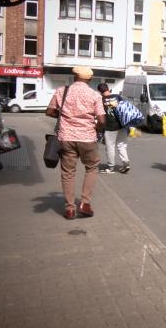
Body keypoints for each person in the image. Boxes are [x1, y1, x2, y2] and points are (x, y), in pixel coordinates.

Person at [46, 66, 105, 220]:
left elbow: (50, 111)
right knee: (92, 167)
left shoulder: (62, 91)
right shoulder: (95, 95)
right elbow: (102, 120)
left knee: (68, 173)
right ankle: (85, 204)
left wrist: (66, 117)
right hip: (87, 138)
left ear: (74, 77)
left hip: (66, 138)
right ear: (90, 79)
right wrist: (96, 128)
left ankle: (70, 209)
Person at [97, 83, 130, 174]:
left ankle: (111, 168)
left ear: (100, 92)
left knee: (110, 147)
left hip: (110, 127)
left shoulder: (101, 100)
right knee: (121, 145)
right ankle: (126, 163)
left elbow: (100, 115)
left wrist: (99, 129)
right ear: (108, 89)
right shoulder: (118, 97)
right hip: (122, 126)